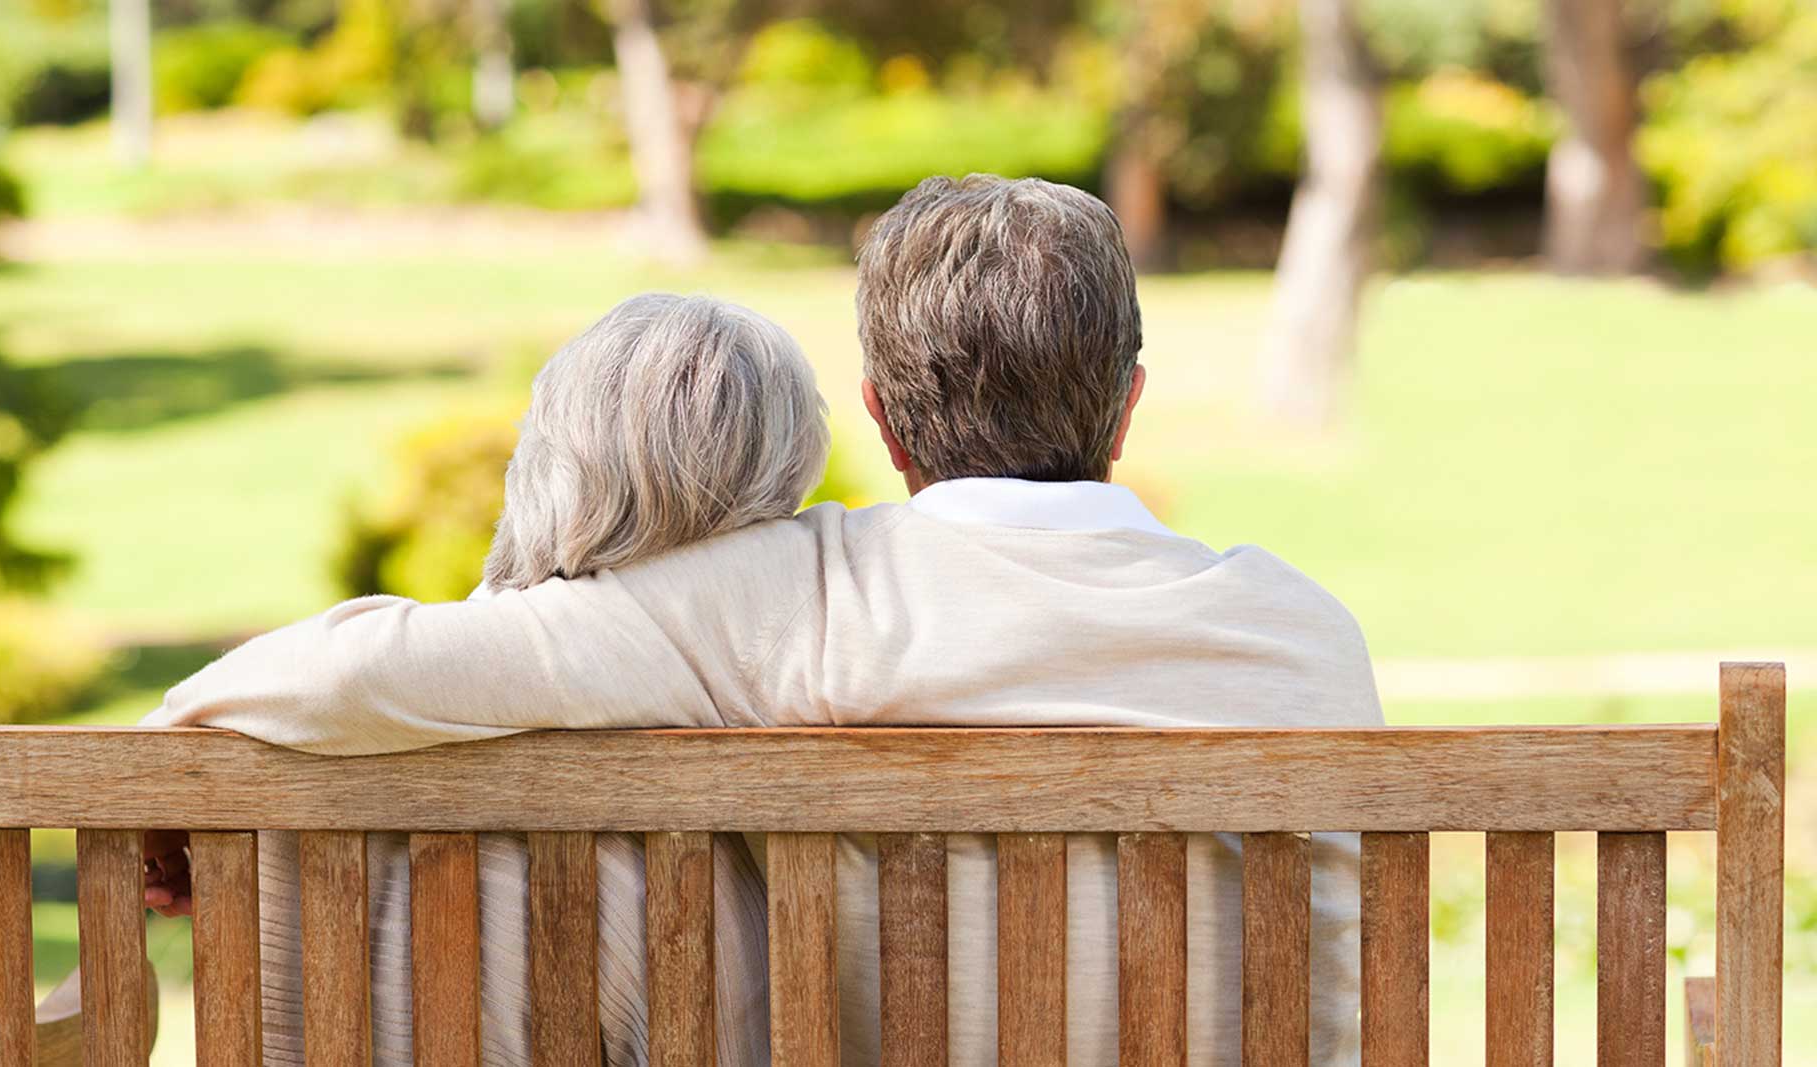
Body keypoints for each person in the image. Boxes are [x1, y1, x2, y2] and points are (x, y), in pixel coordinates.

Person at [146, 174, 1382, 1065]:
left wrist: (168, 751)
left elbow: (369, 671)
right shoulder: (1299, 632)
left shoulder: (804, 593)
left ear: (883, 424)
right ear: (1127, 407)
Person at [146, 292, 827, 1064]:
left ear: (551, 452)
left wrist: (159, 765)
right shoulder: (789, 680)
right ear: (776, 485)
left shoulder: (313, 726)